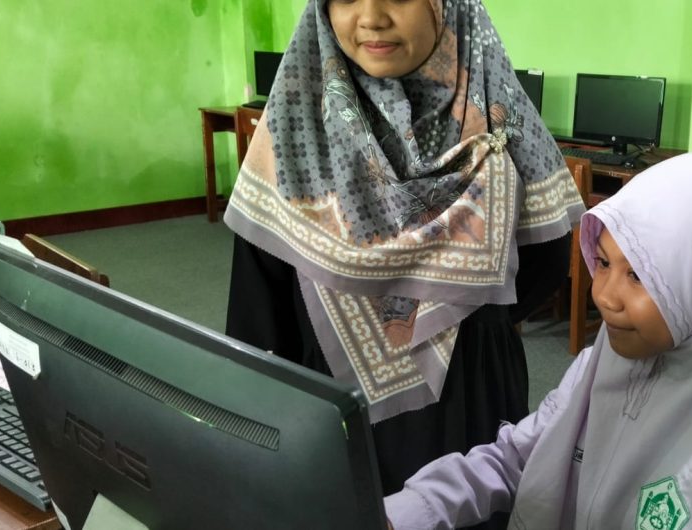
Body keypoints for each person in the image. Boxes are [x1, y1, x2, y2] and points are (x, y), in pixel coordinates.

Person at [222, 0, 584, 501]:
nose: (371, 16)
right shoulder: (292, 132)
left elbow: (546, 257)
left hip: (470, 404)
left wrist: (462, 317)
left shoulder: (499, 122)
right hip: (335, 412)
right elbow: (258, 313)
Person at [385, 152, 692, 529]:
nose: (603, 296)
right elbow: (518, 457)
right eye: (602, 262)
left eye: (638, 275)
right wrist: (403, 512)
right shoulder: (601, 363)